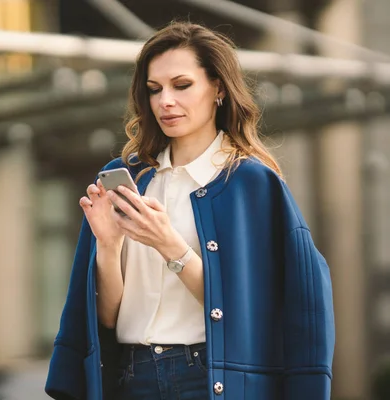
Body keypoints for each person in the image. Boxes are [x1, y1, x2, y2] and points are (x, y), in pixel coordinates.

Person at [45, 21, 335, 400]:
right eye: (154, 89)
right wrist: (108, 245)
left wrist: (170, 245)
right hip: (131, 379)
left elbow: (257, 313)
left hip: (207, 379)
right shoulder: (130, 179)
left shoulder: (252, 186)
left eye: (181, 85)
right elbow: (108, 319)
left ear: (217, 88)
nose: (166, 100)